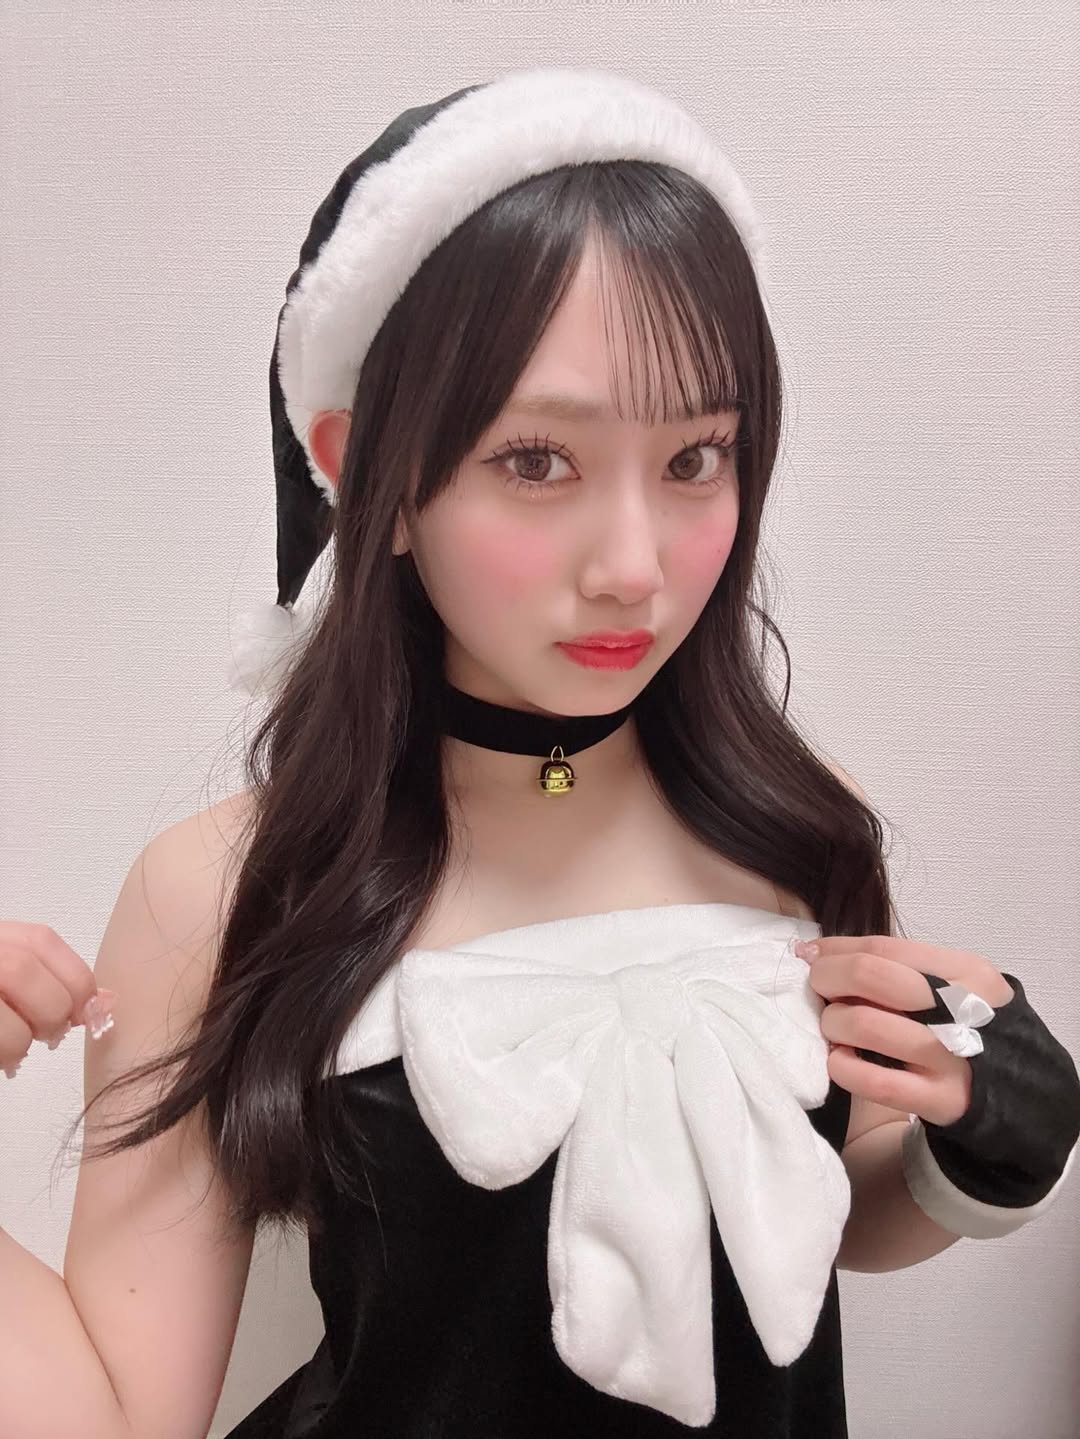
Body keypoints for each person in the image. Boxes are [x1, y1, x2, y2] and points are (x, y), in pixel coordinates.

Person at [3, 65, 1078, 1439]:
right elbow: (117, 1414)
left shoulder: (795, 825)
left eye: (694, 459)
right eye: (536, 462)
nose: (634, 566)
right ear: (369, 475)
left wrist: (986, 1144)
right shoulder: (215, 891)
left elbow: (813, 1222)